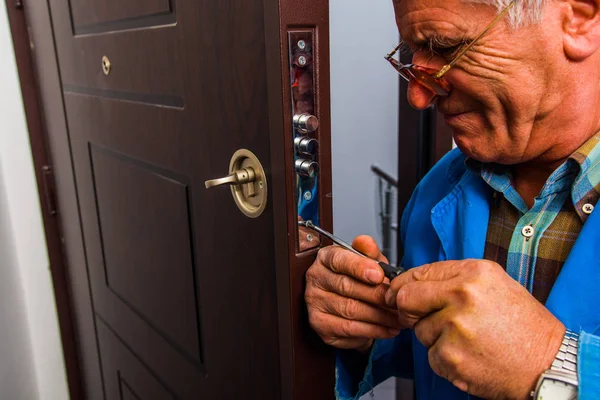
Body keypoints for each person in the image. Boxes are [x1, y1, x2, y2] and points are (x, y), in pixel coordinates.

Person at [305, 0, 600, 398]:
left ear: (578, 20)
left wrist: (554, 365)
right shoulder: (440, 186)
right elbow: (442, 357)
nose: (419, 97)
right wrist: (363, 326)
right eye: (412, 54)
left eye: (445, 48)